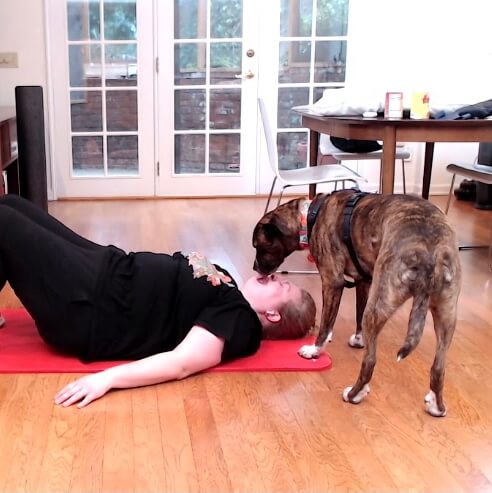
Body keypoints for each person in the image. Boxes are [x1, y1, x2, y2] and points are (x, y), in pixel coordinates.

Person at [0, 195, 316, 408]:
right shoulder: (230, 286)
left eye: (284, 286)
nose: (276, 277)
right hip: (105, 267)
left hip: (91, 305)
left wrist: (108, 379)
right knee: (10, 203)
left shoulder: (239, 321)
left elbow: (181, 363)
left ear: (273, 315)